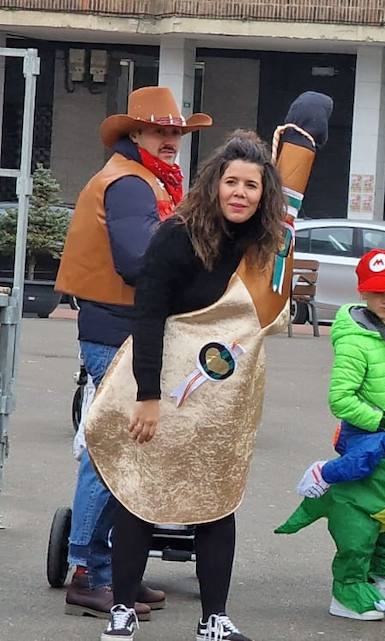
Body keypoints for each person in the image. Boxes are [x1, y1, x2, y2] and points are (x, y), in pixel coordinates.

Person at [90, 130, 288, 641]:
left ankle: (213, 618)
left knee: (216, 498)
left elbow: (262, 318)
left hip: (222, 396)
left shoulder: (264, 246)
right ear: (215, 184)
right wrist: (148, 396)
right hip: (165, 383)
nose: (240, 193)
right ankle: (123, 608)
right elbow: (150, 312)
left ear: (264, 193)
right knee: (140, 493)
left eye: (252, 185)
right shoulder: (178, 234)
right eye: (232, 182)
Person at [55, 85, 209, 621]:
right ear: (135, 133)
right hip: (116, 330)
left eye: (176, 133)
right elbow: (139, 262)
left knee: (123, 449)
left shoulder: (145, 180)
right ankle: (88, 572)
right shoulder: (129, 184)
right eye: (160, 131)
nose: (171, 140)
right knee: (114, 451)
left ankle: (110, 568)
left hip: (122, 328)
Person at [293, 248, 385, 621]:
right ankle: (348, 589)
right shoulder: (354, 338)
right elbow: (341, 398)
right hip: (372, 434)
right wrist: (382, 422)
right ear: (363, 292)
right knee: (362, 520)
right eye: (378, 292)